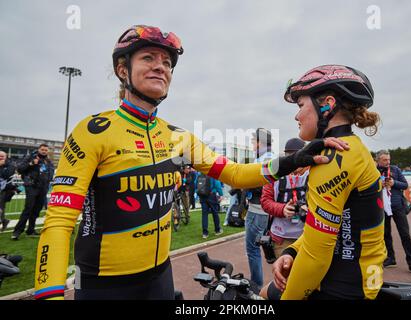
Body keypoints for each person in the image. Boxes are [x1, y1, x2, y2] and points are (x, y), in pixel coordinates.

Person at [33, 25, 348, 300]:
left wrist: (292, 160)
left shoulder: (178, 138)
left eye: (167, 62)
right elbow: (58, 223)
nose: (161, 67)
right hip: (105, 285)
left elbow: (236, 174)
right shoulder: (92, 131)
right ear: (122, 69)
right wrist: (50, 295)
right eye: (148, 58)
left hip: (160, 278)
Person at [272, 65, 386, 300]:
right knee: (265, 292)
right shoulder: (350, 148)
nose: (296, 115)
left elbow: (316, 256)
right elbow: (322, 229)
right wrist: (293, 250)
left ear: (327, 105)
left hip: (345, 288)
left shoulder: (333, 158)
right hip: (360, 276)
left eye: (301, 105)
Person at [376, 150, 411, 276]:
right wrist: (378, 184)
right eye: (385, 160)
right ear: (378, 160)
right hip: (382, 208)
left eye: (389, 159)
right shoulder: (373, 170)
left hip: (397, 207)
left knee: (405, 235)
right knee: (386, 234)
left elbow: (405, 185)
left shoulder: (395, 169)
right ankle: (390, 258)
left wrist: (394, 183)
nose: (388, 162)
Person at [260, 138, 309, 258]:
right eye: (290, 156)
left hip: (307, 236)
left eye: (298, 156)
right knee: (285, 273)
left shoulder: (315, 172)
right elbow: (265, 201)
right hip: (282, 237)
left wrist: (309, 207)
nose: (295, 161)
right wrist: (282, 209)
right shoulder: (275, 172)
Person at [245, 128, 275, 290]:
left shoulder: (262, 160)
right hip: (269, 210)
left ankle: (256, 286)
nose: (252, 145)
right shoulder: (273, 157)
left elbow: (255, 184)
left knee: (253, 249)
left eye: (253, 141)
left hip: (258, 209)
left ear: (260, 142)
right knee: (271, 248)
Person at [12, 144, 54, 240]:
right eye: (42, 149)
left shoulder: (48, 161)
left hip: (43, 187)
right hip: (32, 186)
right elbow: (19, 169)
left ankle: (31, 230)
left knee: (36, 210)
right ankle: (17, 231)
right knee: (28, 209)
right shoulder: (30, 157)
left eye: (46, 150)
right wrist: (31, 163)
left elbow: (50, 172)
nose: (44, 151)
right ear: (39, 149)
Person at [197, 173, 223, 238]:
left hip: (202, 196)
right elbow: (217, 184)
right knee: (215, 213)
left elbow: (196, 185)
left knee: (204, 215)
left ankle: (205, 233)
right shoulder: (213, 174)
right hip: (211, 195)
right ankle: (217, 230)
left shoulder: (200, 174)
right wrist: (221, 194)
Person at [0, 151, 17, 231]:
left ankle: (3, 221)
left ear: (6, 157)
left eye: (2, 156)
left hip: (5, 190)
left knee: (1, 208)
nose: (0, 157)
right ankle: (4, 221)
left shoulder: (11, 164)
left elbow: (6, 175)